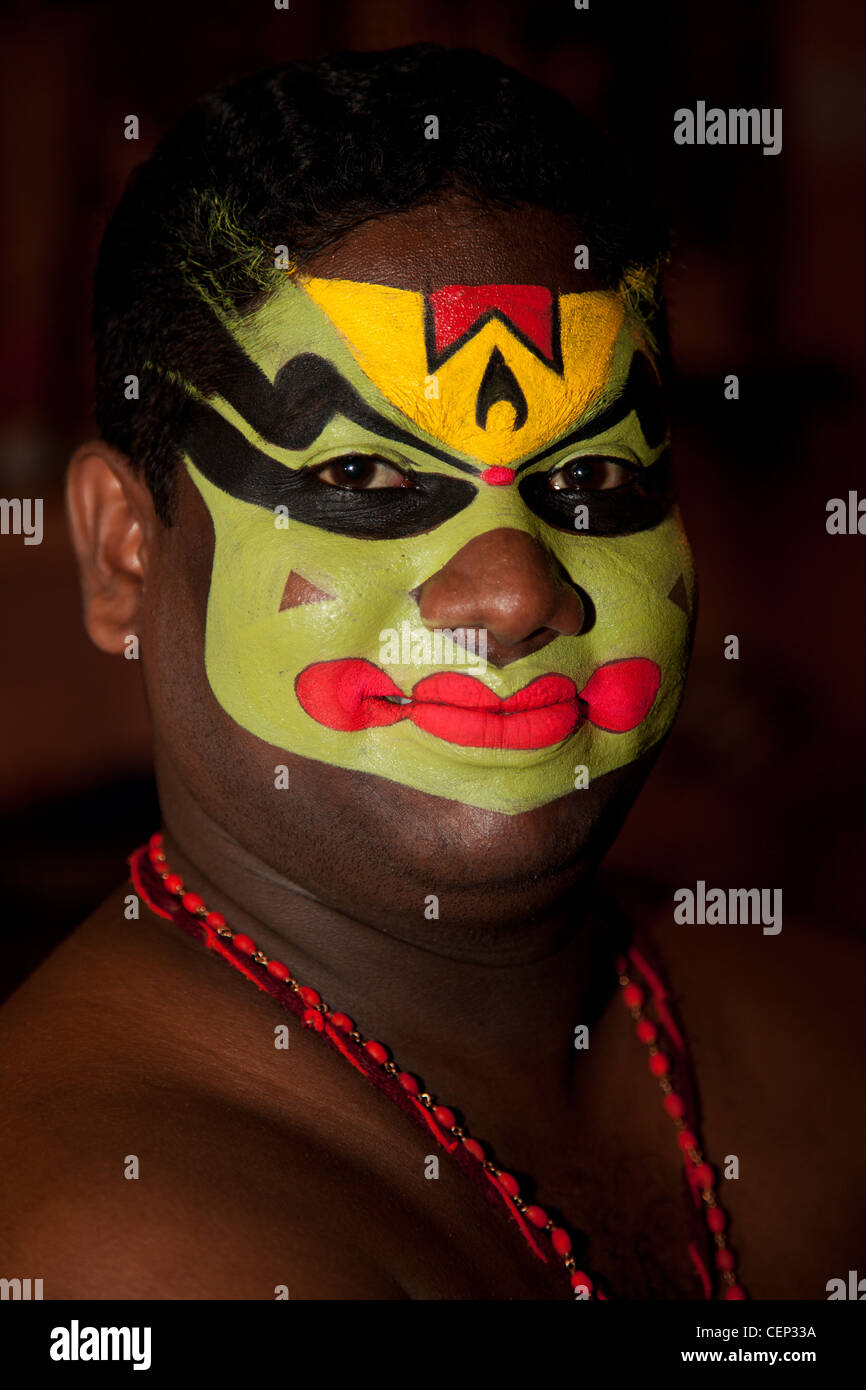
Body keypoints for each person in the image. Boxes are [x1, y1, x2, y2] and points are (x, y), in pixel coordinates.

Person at [0, 45, 861, 1301]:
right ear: (123, 551)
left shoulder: (825, 1037)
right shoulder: (115, 1247)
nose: (513, 591)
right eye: (362, 478)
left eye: (595, 478)